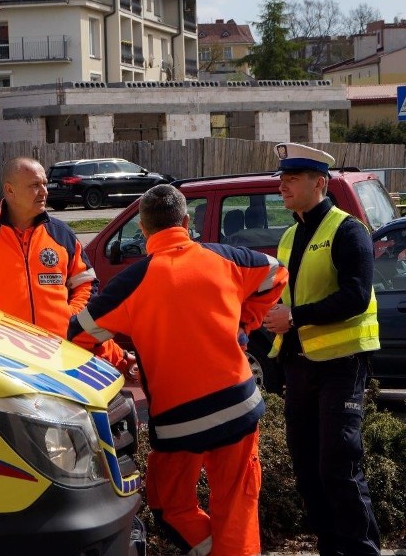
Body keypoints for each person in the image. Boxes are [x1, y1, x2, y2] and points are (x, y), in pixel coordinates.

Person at [69, 184, 287, 556]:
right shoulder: (225, 258)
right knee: (237, 504)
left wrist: (122, 359)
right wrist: (243, 325)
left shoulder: (130, 283)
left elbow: (77, 335)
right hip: (238, 405)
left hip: (178, 419)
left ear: (142, 228)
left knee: (169, 506)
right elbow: (275, 275)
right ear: (187, 222)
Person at [262, 142, 381, 556]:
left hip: (342, 366)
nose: (282, 186)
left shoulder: (349, 230)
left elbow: (355, 296)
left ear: (320, 183)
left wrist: (294, 318)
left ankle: (362, 551)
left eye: (292, 179)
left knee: (340, 466)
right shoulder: (290, 236)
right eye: (281, 178)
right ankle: (330, 548)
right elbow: (285, 303)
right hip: (300, 367)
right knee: (308, 471)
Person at [0, 156, 134, 371]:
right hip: (5, 361)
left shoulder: (62, 235)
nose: (44, 191)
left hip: (61, 355)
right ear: (10, 190)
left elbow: (86, 284)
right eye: (35, 185)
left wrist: (69, 318)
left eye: (44, 183)